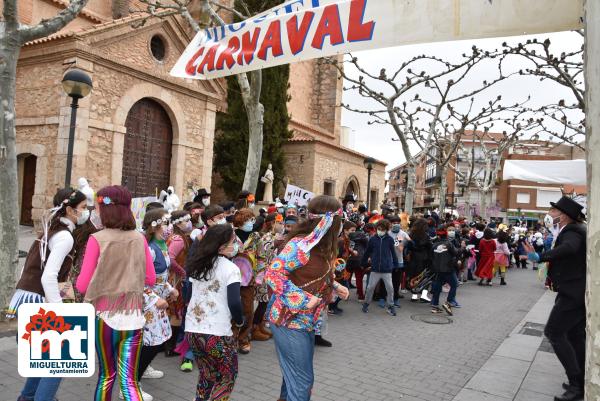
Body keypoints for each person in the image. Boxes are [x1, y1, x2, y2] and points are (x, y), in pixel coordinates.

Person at [76, 185, 156, 401]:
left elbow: (82, 286)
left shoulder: (97, 239)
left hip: (105, 319)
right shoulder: (139, 238)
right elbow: (151, 279)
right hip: (134, 319)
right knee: (129, 381)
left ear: (105, 209)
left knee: (106, 376)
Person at [266, 195, 349, 401]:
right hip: (289, 321)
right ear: (329, 222)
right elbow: (273, 274)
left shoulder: (319, 245)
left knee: (293, 377)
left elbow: (313, 274)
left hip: (306, 322)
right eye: (341, 221)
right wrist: (302, 299)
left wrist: (336, 286)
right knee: (302, 382)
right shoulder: (301, 245)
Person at [11, 189, 88, 401]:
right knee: (58, 364)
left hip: (28, 298)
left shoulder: (51, 231)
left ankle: (27, 397)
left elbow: (47, 274)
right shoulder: (64, 236)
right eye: (83, 208)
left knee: (43, 359)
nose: (85, 212)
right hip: (41, 301)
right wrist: (60, 310)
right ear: (71, 210)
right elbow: (48, 277)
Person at [525, 197, 586, 401]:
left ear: (565, 214)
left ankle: (576, 385)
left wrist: (541, 257)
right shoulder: (576, 229)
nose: (550, 213)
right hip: (575, 291)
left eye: (554, 210)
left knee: (554, 332)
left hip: (572, 292)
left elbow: (570, 248)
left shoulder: (572, 231)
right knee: (574, 335)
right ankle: (581, 381)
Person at [185, 224, 244, 401]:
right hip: (217, 333)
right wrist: (240, 321)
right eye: (233, 242)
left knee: (207, 374)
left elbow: (187, 293)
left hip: (193, 330)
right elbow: (234, 301)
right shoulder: (230, 269)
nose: (235, 246)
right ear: (221, 246)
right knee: (228, 376)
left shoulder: (197, 264)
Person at [165, 211, 193, 357]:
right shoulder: (178, 239)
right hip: (175, 280)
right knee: (176, 313)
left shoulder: (174, 236)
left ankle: (167, 345)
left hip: (172, 279)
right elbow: (170, 258)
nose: (189, 223)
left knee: (172, 311)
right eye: (185, 221)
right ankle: (170, 347)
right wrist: (183, 272)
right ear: (177, 223)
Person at [361, 219, 400, 316]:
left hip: (387, 269)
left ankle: (391, 306)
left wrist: (396, 264)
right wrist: (363, 262)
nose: (380, 231)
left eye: (382, 229)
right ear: (376, 228)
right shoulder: (372, 239)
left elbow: (393, 253)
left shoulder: (390, 240)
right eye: (379, 229)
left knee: (390, 288)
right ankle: (366, 303)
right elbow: (367, 252)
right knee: (370, 288)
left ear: (386, 230)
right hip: (375, 269)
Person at [430, 226, 459, 316]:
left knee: (437, 287)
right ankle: (448, 303)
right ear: (446, 233)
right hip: (448, 269)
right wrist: (462, 248)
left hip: (437, 270)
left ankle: (434, 305)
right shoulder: (449, 244)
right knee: (454, 284)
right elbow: (456, 253)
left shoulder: (433, 245)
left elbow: (431, 257)